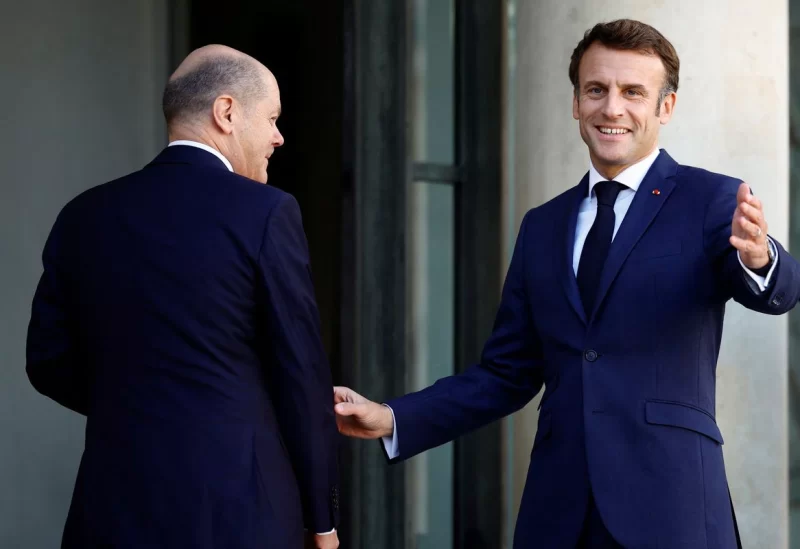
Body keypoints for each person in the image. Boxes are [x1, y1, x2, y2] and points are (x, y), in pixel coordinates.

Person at [333, 19, 800, 549]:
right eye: (596, 90)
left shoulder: (710, 200)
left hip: (672, 509)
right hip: (558, 513)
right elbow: (505, 374)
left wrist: (761, 258)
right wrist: (393, 417)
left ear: (665, 107)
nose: (612, 108)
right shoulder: (544, 225)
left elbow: (779, 289)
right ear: (576, 102)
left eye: (633, 93)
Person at [26, 45, 340, 549]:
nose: (279, 138)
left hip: (112, 507)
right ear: (227, 112)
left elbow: (47, 362)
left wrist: (136, 402)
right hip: (239, 511)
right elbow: (300, 374)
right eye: (273, 118)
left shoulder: (83, 215)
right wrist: (321, 521)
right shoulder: (267, 211)